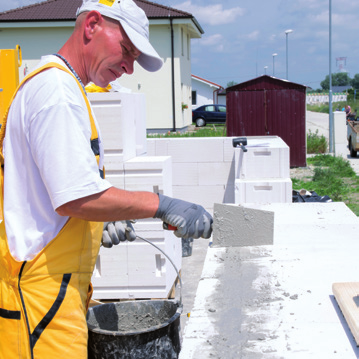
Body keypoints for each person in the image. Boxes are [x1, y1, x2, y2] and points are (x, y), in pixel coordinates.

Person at [0, 0, 213, 358]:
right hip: (40, 304)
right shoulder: (57, 93)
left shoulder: (63, 87)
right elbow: (75, 197)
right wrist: (161, 205)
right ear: (92, 25)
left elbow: (55, 195)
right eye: (126, 49)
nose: (129, 67)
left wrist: (100, 222)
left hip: (55, 294)